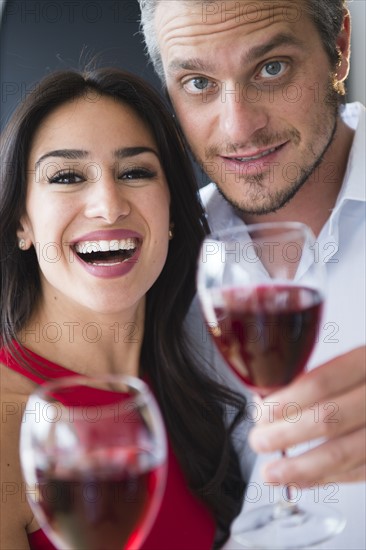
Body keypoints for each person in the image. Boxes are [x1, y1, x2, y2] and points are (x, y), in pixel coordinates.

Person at [138, 0, 366, 548]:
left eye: (272, 68)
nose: (239, 126)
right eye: (197, 82)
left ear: (338, 49)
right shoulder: (158, 259)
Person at [0, 67, 249, 550]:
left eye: (135, 172)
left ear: (173, 213)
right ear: (21, 224)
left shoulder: (191, 370)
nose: (108, 206)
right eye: (67, 176)